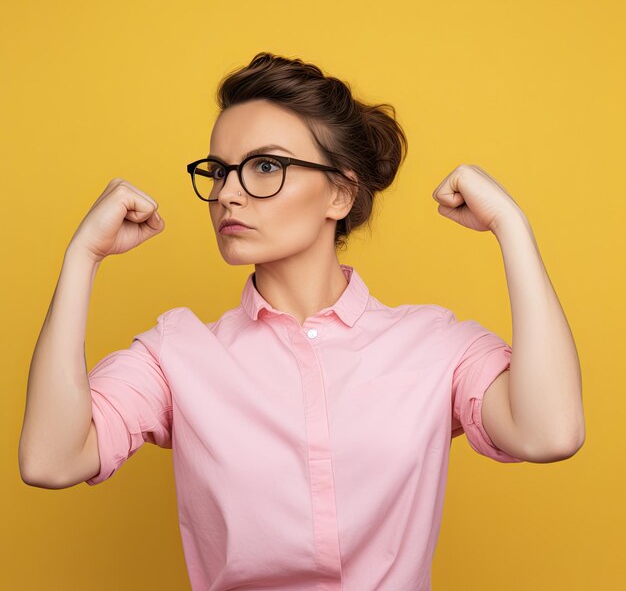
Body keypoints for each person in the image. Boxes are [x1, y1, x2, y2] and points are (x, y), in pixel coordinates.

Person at [19, 52, 584, 590]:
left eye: (265, 166)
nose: (227, 195)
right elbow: (51, 459)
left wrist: (513, 228)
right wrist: (81, 258)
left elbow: (550, 432)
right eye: (219, 171)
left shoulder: (436, 346)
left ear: (339, 193)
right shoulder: (177, 353)